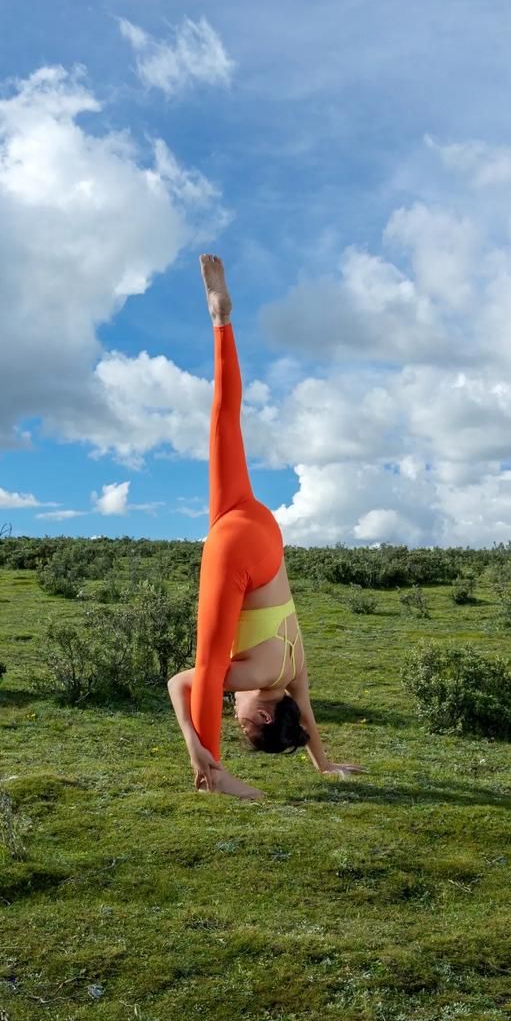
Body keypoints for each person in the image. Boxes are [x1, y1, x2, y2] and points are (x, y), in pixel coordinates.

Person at [167, 254, 365, 798]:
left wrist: (323, 765)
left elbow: (307, 718)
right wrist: (193, 735)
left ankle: (220, 320)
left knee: (225, 422)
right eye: (240, 721)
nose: (238, 711)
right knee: (208, 665)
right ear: (259, 716)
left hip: (263, 530)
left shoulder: (293, 673)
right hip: (240, 550)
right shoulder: (256, 679)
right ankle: (212, 774)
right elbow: (182, 682)